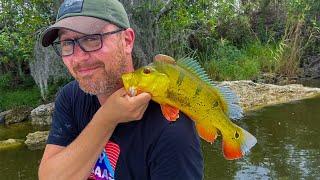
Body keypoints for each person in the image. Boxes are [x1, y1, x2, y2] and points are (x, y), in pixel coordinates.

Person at [38, 0, 203, 179]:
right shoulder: (70, 97)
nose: (78, 58)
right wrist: (106, 118)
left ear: (127, 41)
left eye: (92, 38)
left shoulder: (172, 129)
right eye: (67, 43)